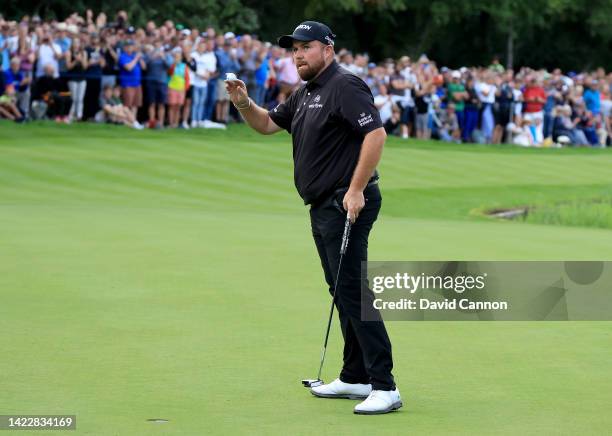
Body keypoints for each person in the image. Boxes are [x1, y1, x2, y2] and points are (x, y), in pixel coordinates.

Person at [225, 21, 400, 415]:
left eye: (306, 47)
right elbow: (268, 124)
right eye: (294, 50)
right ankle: (355, 377)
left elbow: (376, 136)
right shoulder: (305, 92)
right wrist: (242, 102)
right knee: (341, 289)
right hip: (323, 205)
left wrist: (355, 190)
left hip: (346, 201)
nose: (299, 55)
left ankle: (385, 386)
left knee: (353, 290)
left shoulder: (345, 85)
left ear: (327, 49)